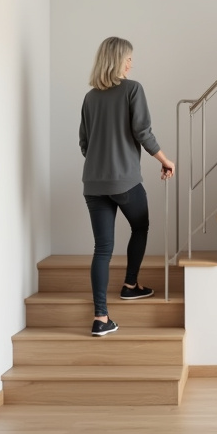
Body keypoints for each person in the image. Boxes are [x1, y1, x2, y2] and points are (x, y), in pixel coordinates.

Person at [79, 36, 175, 337]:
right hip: (124, 181)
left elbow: (84, 144)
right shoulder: (133, 89)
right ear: (118, 60)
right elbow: (143, 132)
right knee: (141, 226)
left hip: (93, 183)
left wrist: (102, 162)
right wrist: (165, 160)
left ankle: (101, 318)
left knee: (102, 248)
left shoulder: (90, 98)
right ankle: (130, 285)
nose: (131, 63)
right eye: (128, 58)